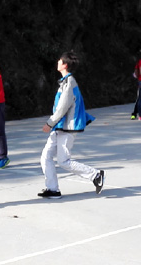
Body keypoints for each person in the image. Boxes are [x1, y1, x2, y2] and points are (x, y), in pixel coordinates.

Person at [38, 51, 104, 199]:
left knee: (63, 161)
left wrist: (50, 123)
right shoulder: (65, 82)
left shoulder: (69, 82)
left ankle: (96, 175)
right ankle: (53, 189)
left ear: (65, 65)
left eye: (60, 61)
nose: (58, 63)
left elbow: (63, 107)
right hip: (59, 127)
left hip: (66, 127)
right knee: (45, 156)